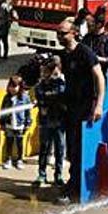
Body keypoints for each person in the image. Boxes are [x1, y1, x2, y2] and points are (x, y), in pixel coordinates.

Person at [56, 17, 105, 205]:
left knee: (78, 148)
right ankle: (74, 181)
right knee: (71, 148)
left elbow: (99, 77)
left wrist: (98, 105)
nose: (59, 36)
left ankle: (76, 187)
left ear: (74, 33)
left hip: (85, 107)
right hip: (70, 107)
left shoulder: (85, 52)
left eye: (63, 33)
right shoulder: (63, 54)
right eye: (58, 33)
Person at [34, 56, 66, 187]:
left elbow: (61, 95)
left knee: (60, 149)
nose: (43, 74)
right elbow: (41, 96)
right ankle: (41, 174)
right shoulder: (40, 86)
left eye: (46, 71)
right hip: (45, 122)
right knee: (44, 149)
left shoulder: (60, 83)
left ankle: (58, 175)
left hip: (59, 122)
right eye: (42, 71)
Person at [0, 75, 32, 170]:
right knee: (9, 142)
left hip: (20, 124)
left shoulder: (25, 97)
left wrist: (28, 123)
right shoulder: (6, 98)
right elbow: (2, 110)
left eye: (15, 86)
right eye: (11, 86)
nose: (12, 89)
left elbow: (27, 112)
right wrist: (2, 122)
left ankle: (19, 159)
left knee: (19, 143)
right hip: (9, 123)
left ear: (20, 87)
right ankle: (8, 159)